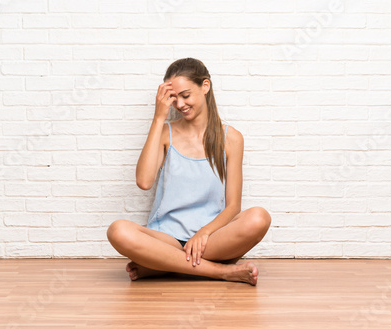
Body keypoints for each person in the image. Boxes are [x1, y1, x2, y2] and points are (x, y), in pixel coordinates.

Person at [107, 58, 271, 286]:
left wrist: (204, 233)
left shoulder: (232, 138)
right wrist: (158, 117)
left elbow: (233, 206)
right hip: (167, 238)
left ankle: (163, 266)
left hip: (210, 238)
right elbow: (144, 182)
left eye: (185, 95)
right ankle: (220, 271)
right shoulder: (165, 133)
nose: (180, 104)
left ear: (205, 86)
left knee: (259, 218)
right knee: (118, 231)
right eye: (173, 99)